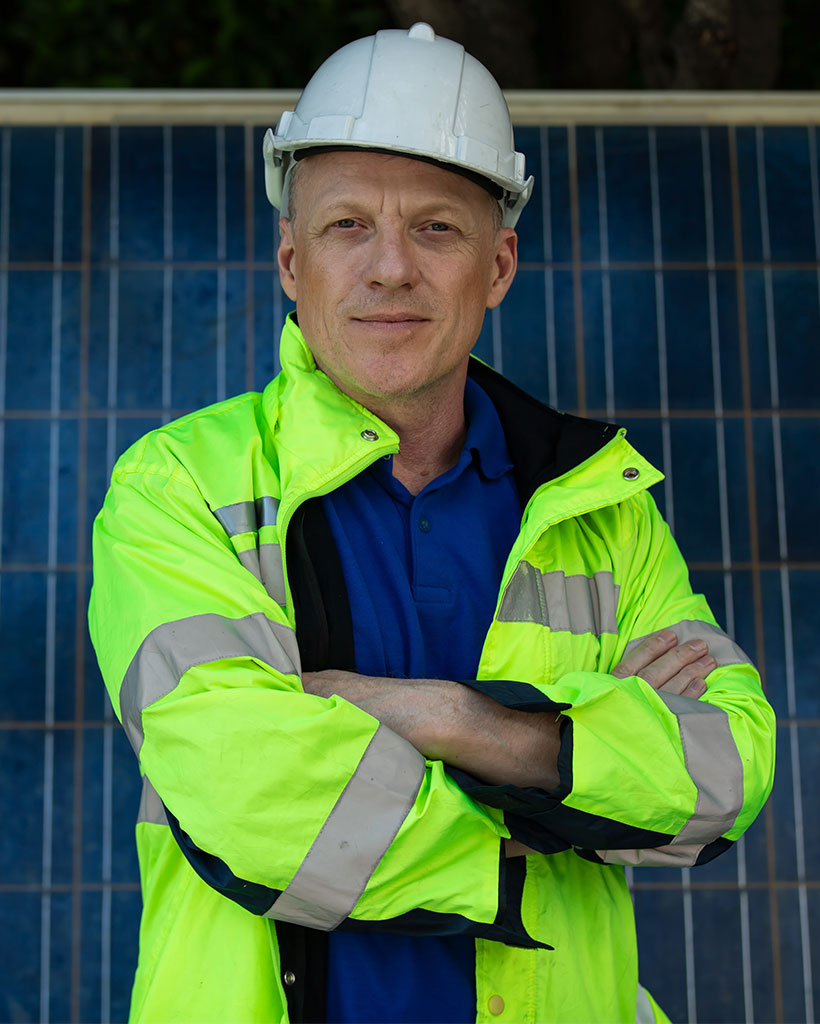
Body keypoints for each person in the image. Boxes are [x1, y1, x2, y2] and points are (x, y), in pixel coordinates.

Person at [89, 22, 775, 1024]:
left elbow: (725, 766)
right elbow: (249, 792)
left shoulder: (599, 502)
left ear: (497, 266)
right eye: (347, 226)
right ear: (292, 261)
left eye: (436, 229)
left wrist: (450, 719)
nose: (390, 269)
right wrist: (560, 802)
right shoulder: (179, 486)